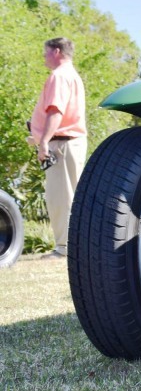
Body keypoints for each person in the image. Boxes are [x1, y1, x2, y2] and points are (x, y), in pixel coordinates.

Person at [26, 37, 87, 259]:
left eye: (46, 52)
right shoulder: (72, 76)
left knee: (60, 197)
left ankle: (64, 248)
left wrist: (44, 142)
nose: (44, 57)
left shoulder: (59, 76)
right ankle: (71, 246)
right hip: (68, 141)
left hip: (62, 143)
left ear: (57, 52)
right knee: (69, 194)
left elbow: (56, 111)